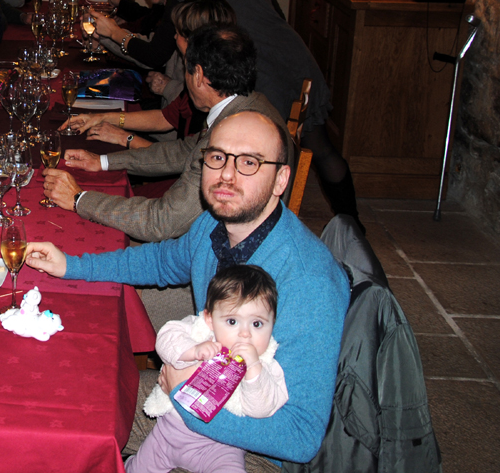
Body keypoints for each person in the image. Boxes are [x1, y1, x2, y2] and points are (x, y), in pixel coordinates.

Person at [26, 110, 350, 464]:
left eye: (249, 162)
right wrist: (72, 265)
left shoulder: (308, 281)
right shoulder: (214, 224)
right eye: (217, 157)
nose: (227, 174)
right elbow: (161, 261)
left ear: (280, 179)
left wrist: (187, 398)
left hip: (250, 449)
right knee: (71, 395)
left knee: (80, 420)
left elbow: (300, 436)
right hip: (194, 389)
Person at [152, 0, 360, 222]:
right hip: (294, 59)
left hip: (256, 72)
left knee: (244, 151)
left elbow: (158, 52)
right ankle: (354, 226)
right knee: (322, 148)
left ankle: (247, 219)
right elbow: (277, 16)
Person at [43, 23, 285, 243]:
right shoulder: (248, 107)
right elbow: (183, 152)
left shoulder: (233, 138)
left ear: (199, 75)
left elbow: (161, 222)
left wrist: (79, 199)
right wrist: (103, 161)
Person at [131, 265, 288, 473]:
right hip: (168, 433)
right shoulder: (201, 332)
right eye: (232, 321)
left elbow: (262, 409)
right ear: (210, 319)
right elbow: (166, 337)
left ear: (272, 324)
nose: (245, 334)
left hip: (220, 448)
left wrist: (253, 370)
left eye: (257, 324)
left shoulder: (266, 365)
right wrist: (192, 351)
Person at [62, 0, 237, 148]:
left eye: (177, 33)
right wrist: (100, 118)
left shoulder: (208, 87)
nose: (174, 38)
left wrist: (124, 138)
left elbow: (181, 158)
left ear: (194, 39)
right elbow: (165, 118)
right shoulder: (202, 71)